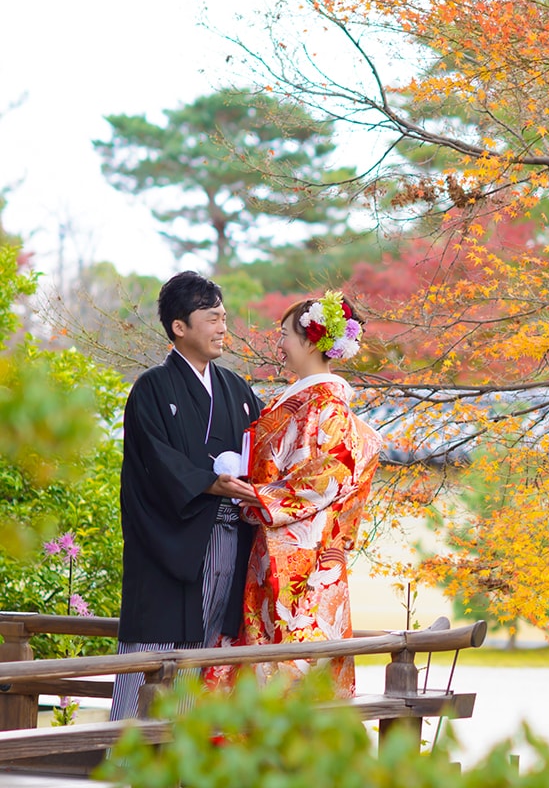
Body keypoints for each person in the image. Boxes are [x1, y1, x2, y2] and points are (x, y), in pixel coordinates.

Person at [207, 291, 382, 697]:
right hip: (274, 545)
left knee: (293, 659)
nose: (280, 343)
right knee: (265, 658)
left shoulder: (327, 405)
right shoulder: (302, 400)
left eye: (285, 334)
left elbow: (330, 474)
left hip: (305, 556)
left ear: (310, 340)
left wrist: (261, 495)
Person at [110, 271, 264, 720]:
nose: (223, 328)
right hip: (170, 541)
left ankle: (182, 758)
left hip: (228, 536)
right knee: (151, 649)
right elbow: (154, 462)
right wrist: (207, 482)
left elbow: (261, 450)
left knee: (205, 645)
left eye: (224, 317)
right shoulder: (153, 389)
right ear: (179, 326)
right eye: (212, 318)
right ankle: (128, 752)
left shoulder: (237, 390)